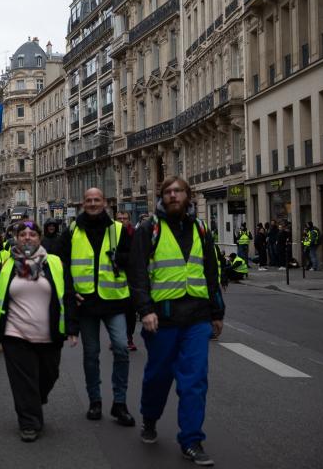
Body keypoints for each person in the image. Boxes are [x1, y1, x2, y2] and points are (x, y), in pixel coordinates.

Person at [128, 176, 225, 466]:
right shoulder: (150, 229)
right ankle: (150, 417)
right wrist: (145, 310)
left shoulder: (201, 229)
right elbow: (137, 273)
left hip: (196, 318)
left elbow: (211, 272)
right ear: (162, 197)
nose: (172, 196)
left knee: (194, 380)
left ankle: (192, 440)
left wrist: (217, 313)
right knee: (158, 377)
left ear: (188, 195)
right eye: (168, 192)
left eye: (178, 191)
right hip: (162, 318)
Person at [0, 221, 78, 442]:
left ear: (39, 238)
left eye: (32, 234)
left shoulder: (54, 263)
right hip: (15, 335)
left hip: (49, 334)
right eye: (22, 234)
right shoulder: (5, 267)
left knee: (49, 375)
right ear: (16, 238)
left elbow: (68, 295)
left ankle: (35, 399)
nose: (27, 237)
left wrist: (72, 326)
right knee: (23, 382)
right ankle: (29, 423)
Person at [58, 188, 135, 427]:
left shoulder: (119, 230)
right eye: (89, 200)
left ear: (104, 203)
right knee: (91, 355)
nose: (92, 203)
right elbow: (59, 265)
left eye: (97, 200)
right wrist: (70, 295)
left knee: (122, 348)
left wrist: (120, 259)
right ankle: (95, 401)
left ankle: (119, 403)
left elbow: (134, 261)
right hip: (87, 303)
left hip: (114, 300)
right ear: (83, 203)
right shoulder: (72, 230)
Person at [116, 211, 138, 352]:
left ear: (129, 220)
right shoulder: (111, 235)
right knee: (117, 310)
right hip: (114, 277)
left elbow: (137, 254)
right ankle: (118, 337)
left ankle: (129, 336)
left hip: (131, 276)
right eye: (119, 218)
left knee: (130, 310)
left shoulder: (134, 233)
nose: (122, 221)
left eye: (125, 218)